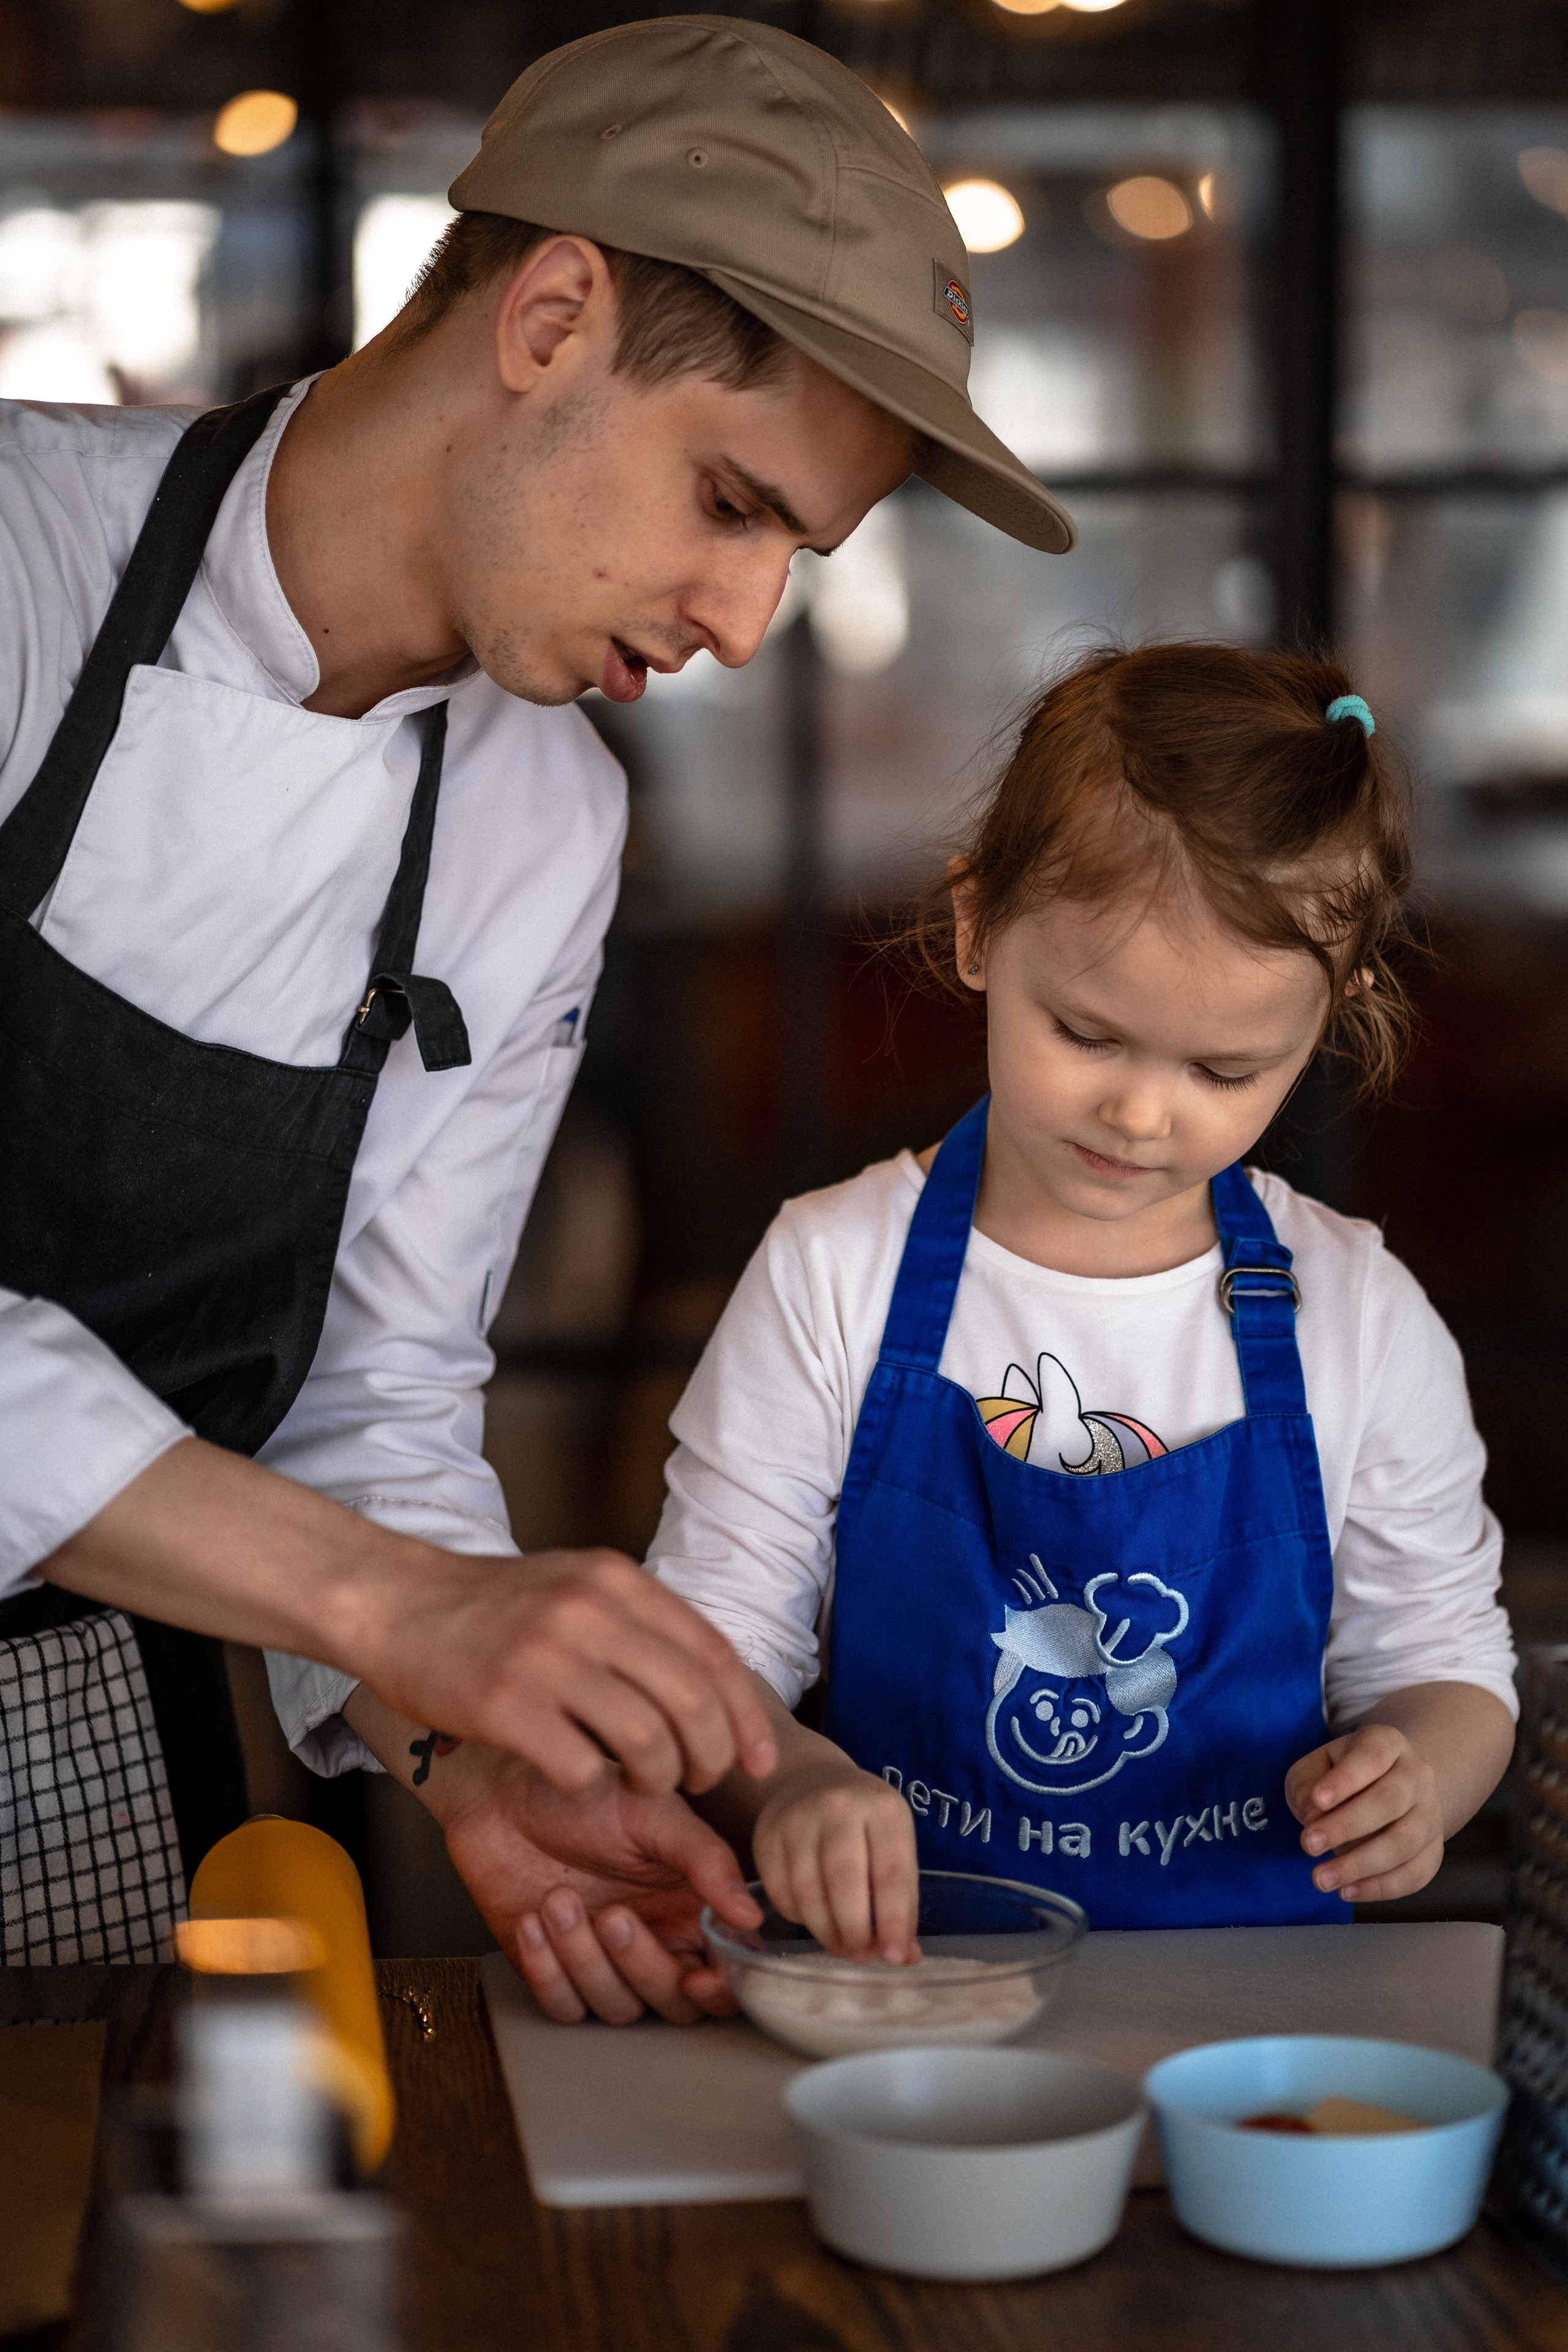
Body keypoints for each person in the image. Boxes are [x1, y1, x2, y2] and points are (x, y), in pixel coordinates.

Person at [0, 15, 1076, 1966]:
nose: (747, 625)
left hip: (72, 1778)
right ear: (555, 314)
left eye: (797, 556)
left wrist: (468, 1741)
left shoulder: (539, 816)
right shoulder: (15, 565)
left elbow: (377, 1386)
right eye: (733, 505)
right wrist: (398, 1612)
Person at [515, 640, 1517, 2022]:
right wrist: (786, 1777)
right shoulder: (835, 1272)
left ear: (1329, 1019)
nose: (1142, 1113)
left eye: (1226, 1069)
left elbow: (1443, 1663)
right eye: (1088, 1033)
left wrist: (1421, 1769)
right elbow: (714, 1639)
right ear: (979, 926)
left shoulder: (1353, 1312)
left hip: (1256, 2024)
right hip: (898, 2001)